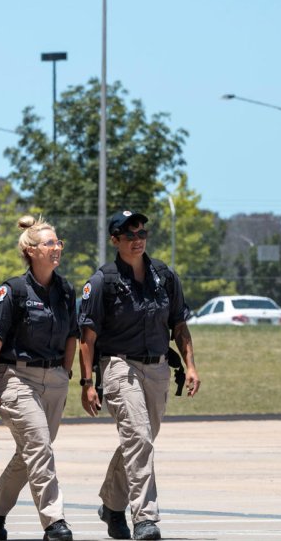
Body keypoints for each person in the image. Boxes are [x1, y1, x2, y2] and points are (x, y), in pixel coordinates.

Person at [78, 210, 200, 541]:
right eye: (130, 235)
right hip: (119, 366)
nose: (138, 240)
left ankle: (111, 505)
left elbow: (179, 325)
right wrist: (87, 383)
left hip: (158, 367)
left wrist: (190, 365)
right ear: (115, 240)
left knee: (141, 440)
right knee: (139, 438)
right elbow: (87, 338)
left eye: (142, 233)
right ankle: (145, 517)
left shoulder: (165, 276)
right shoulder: (102, 282)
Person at [0, 215, 77, 541]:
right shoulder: (13, 291)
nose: (56, 248)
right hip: (16, 378)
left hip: (55, 378)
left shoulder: (65, 290)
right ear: (31, 251)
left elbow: (72, 336)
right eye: (49, 243)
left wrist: (66, 374)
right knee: (40, 448)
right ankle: (54, 522)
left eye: (58, 242)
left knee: (31, 451)